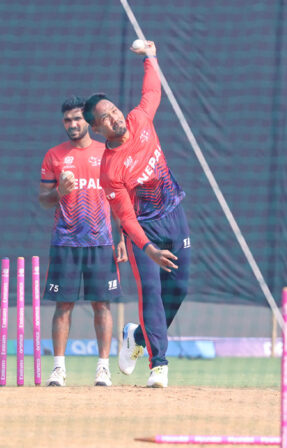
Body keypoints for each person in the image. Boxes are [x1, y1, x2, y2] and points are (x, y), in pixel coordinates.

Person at [83, 40, 191, 388]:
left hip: (174, 215)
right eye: (105, 118)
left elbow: (152, 91)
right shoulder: (109, 169)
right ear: (97, 129)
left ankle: (137, 337)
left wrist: (150, 56)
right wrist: (148, 248)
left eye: (114, 110)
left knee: (180, 288)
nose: (115, 118)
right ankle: (159, 364)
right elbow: (126, 219)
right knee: (152, 292)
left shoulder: (140, 119)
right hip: (144, 231)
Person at [39, 96, 127, 387]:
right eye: (67, 120)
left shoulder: (106, 152)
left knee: (102, 306)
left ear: (88, 122)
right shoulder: (54, 155)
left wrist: (122, 237)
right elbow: (43, 199)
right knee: (63, 306)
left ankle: (103, 369)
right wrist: (59, 193)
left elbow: (118, 199)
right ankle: (58, 369)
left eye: (77, 119)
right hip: (65, 242)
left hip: (100, 242)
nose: (72, 124)